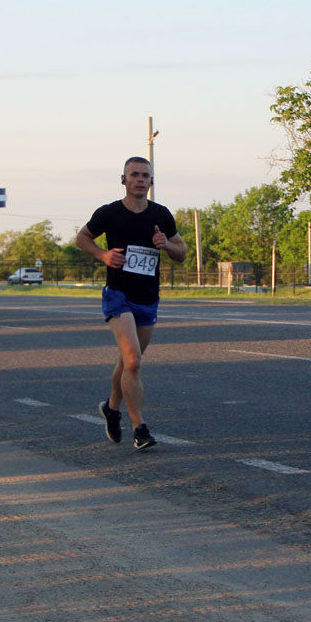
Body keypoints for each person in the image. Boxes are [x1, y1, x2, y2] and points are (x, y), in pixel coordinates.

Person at [76, 156, 186, 449]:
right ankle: (140, 428)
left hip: (147, 297)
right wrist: (103, 255)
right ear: (123, 180)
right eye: (134, 175)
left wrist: (168, 245)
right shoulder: (109, 213)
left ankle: (112, 408)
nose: (140, 179)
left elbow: (182, 252)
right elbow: (82, 238)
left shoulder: (161, 214)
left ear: (152, 181)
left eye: (145, 175)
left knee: (128, 361)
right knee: (134, 361)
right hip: (118, 294)